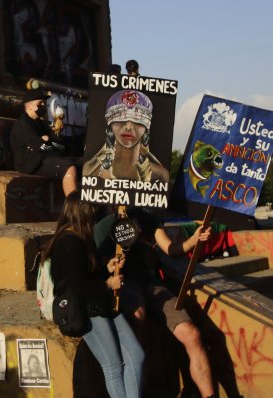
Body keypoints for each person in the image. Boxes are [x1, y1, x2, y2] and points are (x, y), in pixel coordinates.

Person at [95, 208, 216, 398]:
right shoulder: (104, 226)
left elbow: (170, 249)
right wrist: (113, 264)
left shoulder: (146, 219)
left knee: (192, 334)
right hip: (125, 284)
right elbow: (99, 265)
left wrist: (194, 239)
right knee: (137, 316)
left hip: (154, 286)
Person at [43, 192, 144, 398]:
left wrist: (107, 268)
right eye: (93, 211)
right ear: (84, 213)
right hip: (88, 310)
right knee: (113, 366)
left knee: (136, 354)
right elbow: (73, 288)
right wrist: (107, 284)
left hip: (102, 304)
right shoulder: (68, 243)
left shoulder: (79, 238)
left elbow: (87, 274)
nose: (96, 216)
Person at [83, 90, 169, 182]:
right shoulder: (92, 172)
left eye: (138, 120)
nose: (128, 127)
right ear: (110, 126)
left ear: (146, 128)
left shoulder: (160, 175)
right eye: (120, 119)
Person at [10, 90, 81, 196]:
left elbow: (60, 145)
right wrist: (47, 143)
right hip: (32, 164)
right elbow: (42, 147)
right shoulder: (23, 125)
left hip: (45, 157)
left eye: (44, 103)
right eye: (40, 104)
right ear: (29, 106)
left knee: (85, 164)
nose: (43, 106)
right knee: (68, 167)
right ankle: (74, 209)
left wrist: (48, 140)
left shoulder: (41, 123)